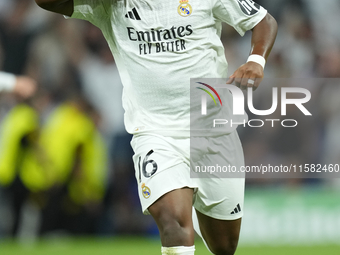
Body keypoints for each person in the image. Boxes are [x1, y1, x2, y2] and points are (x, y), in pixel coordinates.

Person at [34, 1, 278, 254]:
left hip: (214, 131)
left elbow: (264, 21)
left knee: (225, 245)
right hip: (155, 133)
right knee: (173, 222)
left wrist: (256, 60)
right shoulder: (109, 5)